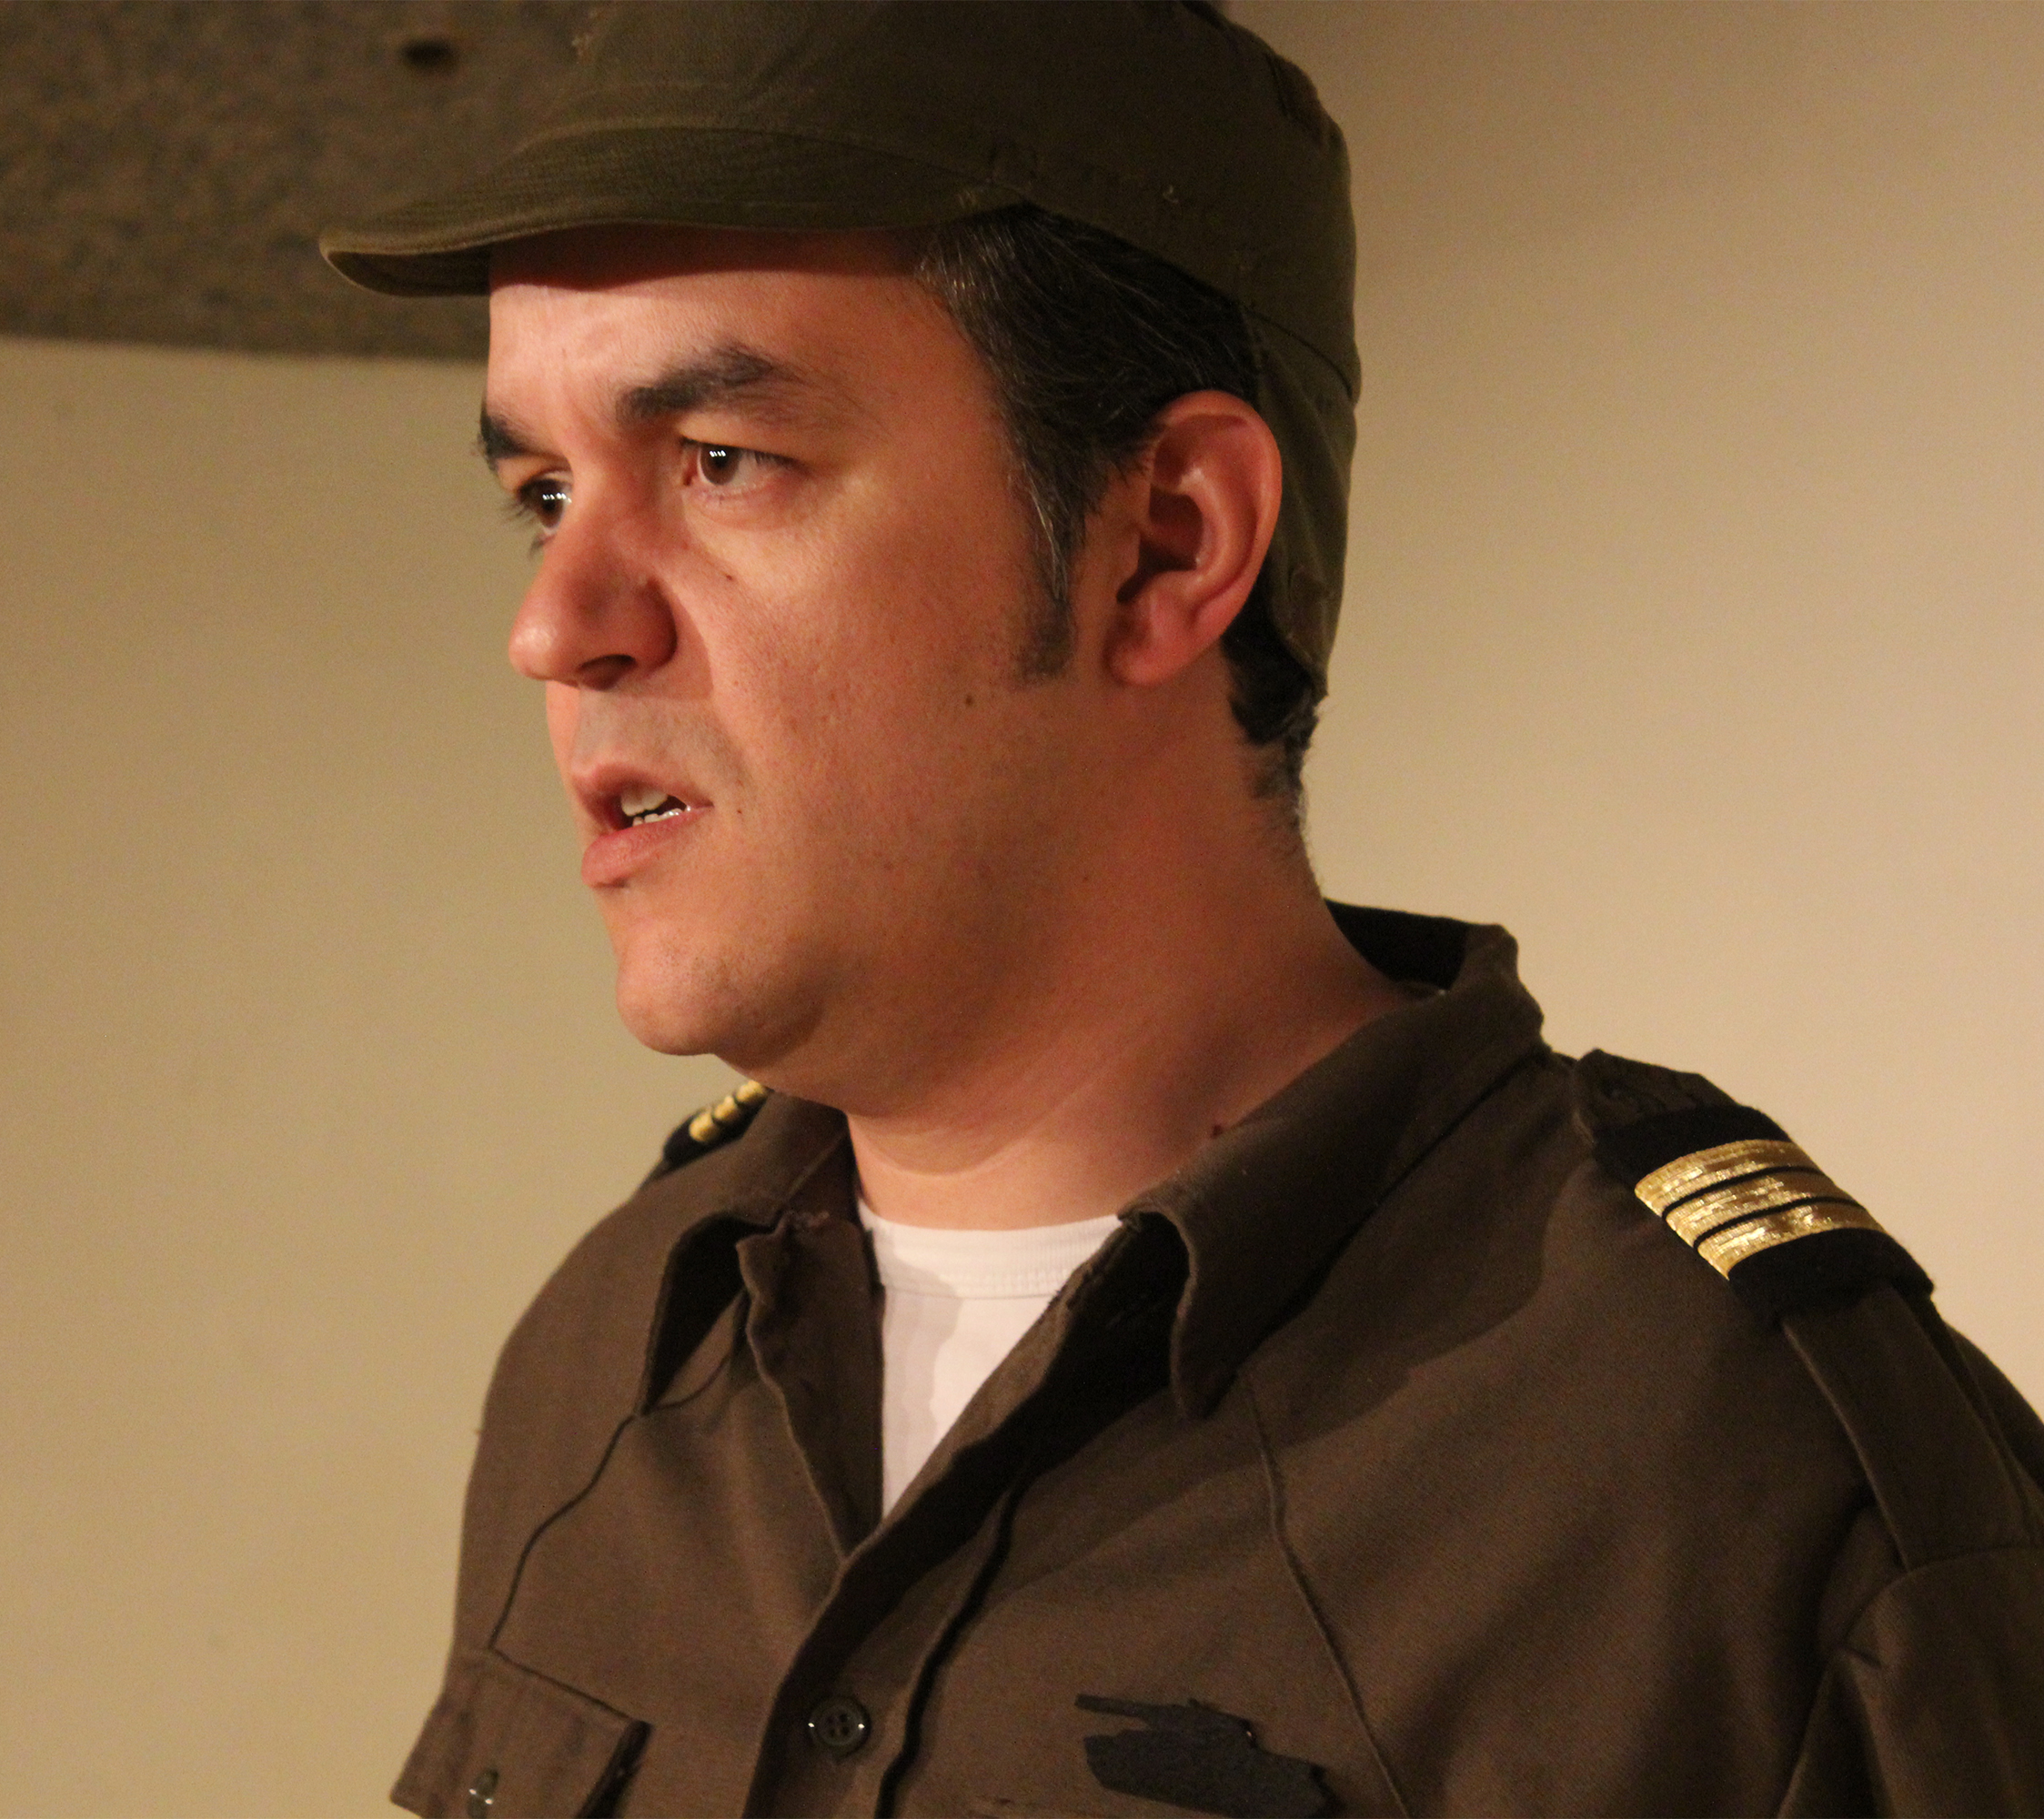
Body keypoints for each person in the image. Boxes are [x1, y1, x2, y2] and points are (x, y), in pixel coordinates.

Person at [320, 5, 2044, 1814]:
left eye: (718, 460)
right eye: (541, 494)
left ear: (1165, 540)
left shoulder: (1749, 1490)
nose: (556, 623)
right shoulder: (613, 1353)